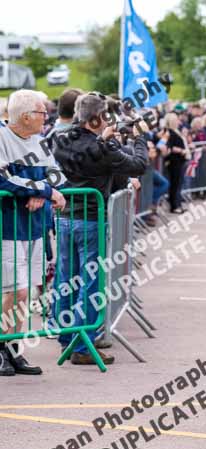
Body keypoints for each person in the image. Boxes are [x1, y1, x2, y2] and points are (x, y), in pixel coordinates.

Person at [52, 92, 147, 365]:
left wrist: (108, 138)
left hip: (66, 218)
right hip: (91, 219)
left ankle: (66, 339)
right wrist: (138, 138)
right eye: (105, 115)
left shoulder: (61, 140)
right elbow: (138, 165)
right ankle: (82, 345)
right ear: (95, 119)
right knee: (90, 282)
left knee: (66, 281)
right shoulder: (101, 149)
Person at [0, 90, 68, 376]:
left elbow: (58, 175)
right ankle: (2, 347)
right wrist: (40, 188)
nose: (47, 116)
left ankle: (14, 348)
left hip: (36, 229)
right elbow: (3, 178)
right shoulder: (2, 138)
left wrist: (41, 190)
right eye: (42, 112)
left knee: (27, 293)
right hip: (8, 228)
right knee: (15, 291)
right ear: (26, 115)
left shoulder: (40, 141)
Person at [161, 112, 188, 214]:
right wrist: (180, 150)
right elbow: (168, 146)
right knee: (175, 184)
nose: (178, 121)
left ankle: (178, 204)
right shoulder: (169, 132)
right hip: (174, 162)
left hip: (179, 161)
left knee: (178, 184)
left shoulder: (176, 131)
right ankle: (174, 205)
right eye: (176, 120)